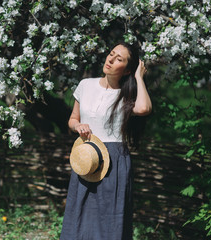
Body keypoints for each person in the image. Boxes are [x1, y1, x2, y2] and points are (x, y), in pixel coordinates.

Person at [60, 42, 152, 240]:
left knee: (109, 222)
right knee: (79, 217)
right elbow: (72, 119)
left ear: (127, 69)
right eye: (111, 54)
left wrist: (138, 77)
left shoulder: (127, 95)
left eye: (119, 59)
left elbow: (144, 109)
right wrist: (78, 127)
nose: (110, 59)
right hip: (86, 157)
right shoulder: (85, 85)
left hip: (115, 161)